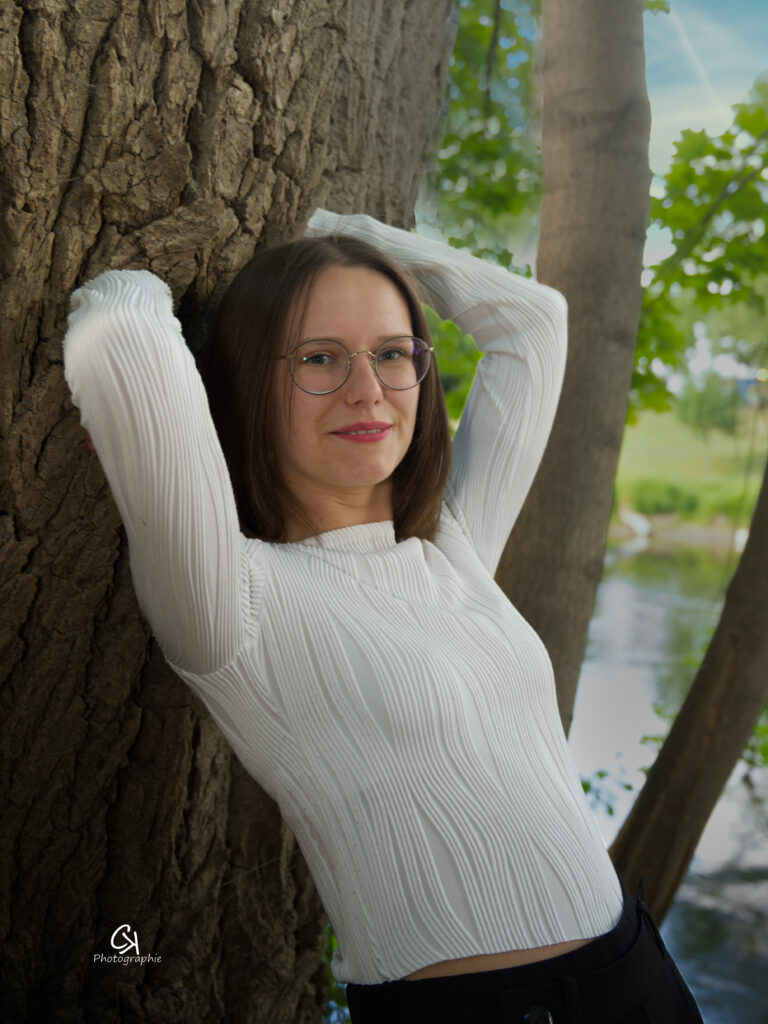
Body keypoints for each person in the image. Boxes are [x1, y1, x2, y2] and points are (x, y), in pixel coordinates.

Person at [63, 210, 703, 1023]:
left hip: (639, 974)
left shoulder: (451, 546)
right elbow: (122, 326)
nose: (367, 390)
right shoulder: (231, 600)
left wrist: (342, 230)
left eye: (394, 354)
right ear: (250, 381)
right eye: (319, 358)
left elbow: (533, 321)